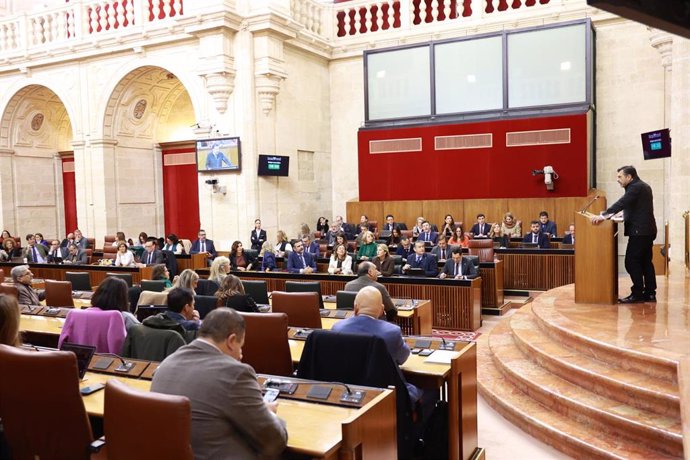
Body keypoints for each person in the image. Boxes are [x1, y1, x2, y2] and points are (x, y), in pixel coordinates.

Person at [151, 308, 288, 459]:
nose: (240, 355)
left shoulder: (166, 363)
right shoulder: (236, 373)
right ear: (231, 341)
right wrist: (268, 412)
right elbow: (274, 442)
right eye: (240, 346)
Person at [332, 286, 420, 403]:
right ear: (381, 309)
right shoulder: (391, 332)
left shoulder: (337, 328)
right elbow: (403, 358)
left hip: (347, 393)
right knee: (431, 392)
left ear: (355, 307)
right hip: (384, 397)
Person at [592, 165, 657, 303]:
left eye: (620, 177)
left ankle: (638, 293)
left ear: (629, 177)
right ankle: (650, 293)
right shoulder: (642, 186)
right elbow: (636, 207)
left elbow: (623, 202)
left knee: (630, 261)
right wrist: (623, 214)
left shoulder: (636, 187)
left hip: (640, 232)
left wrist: (604, 215)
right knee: (645, 262)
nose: (618, 180)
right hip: (647, 231)